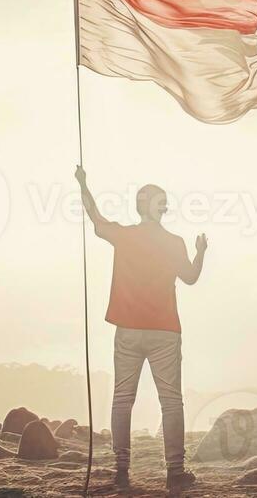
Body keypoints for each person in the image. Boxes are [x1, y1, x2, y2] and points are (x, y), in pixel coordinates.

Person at [75, 165, 206, 492]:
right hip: (163, 330)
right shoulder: (174, 242)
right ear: (147, 203)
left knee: (123, 398)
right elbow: (190, 277)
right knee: (171, 401)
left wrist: (83, 184)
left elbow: (95, 217)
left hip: (129, 330)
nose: (165, 205)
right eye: (161, 200)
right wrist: (201, 252)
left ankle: (121, 469)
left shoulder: (125, 235)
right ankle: (175, 471)